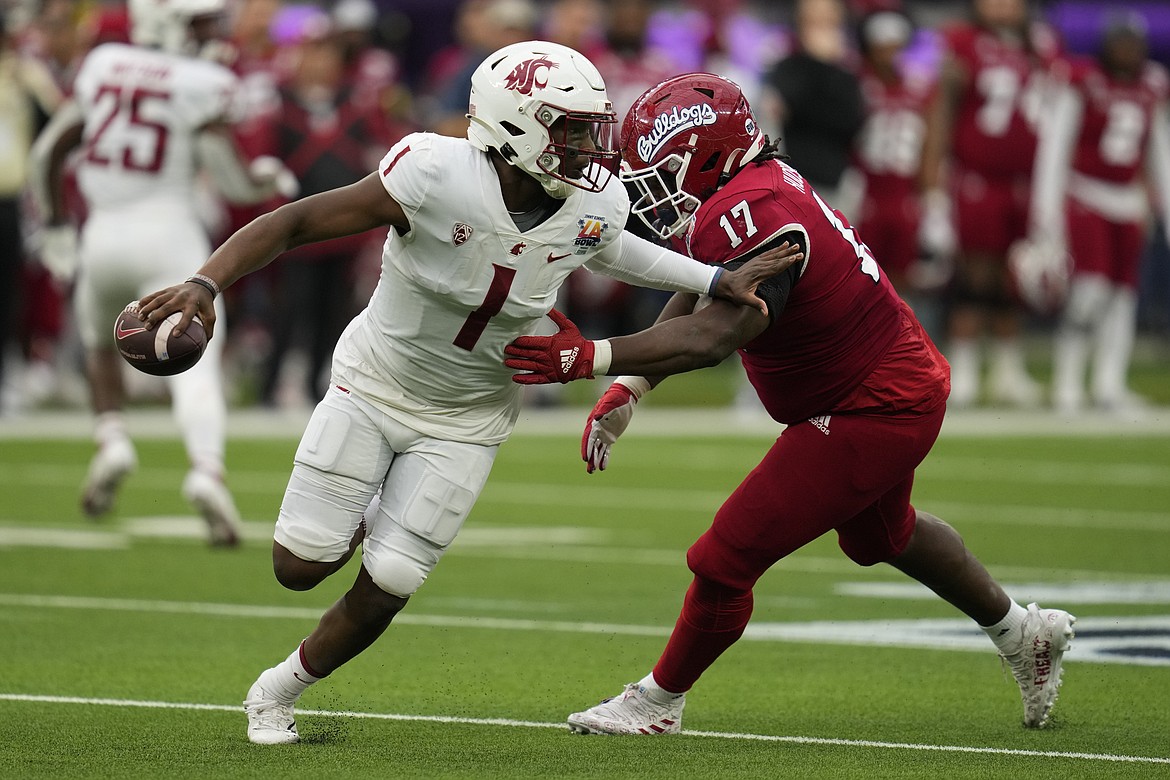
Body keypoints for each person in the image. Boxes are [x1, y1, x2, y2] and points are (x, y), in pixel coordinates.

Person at [133, 41, 794, 745]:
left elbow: (615, 246)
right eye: (570, 129)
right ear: (516, 126)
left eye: (589, 127)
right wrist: (206, 283)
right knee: (297, 567)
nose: (590, 147)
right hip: (375, 383)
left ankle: (277, 690)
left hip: (470, 416)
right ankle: (370, 502)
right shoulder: (431, 171)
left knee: (389, 581)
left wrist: (713, 280)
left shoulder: (592, 198)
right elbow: (295, 221)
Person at [503, 73, 1076, 734]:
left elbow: (721, 331)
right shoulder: (744, 189)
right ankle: (1021, 633)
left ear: (704, 155)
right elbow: (702, 284)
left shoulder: (748, 209)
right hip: (886, 382)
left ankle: (656, 702)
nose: (646, 187)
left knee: (724, 557)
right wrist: (632, 386)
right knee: (880, 536)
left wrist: (594, 357)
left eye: (659, 170)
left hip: (873, 403)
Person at [28, 0, 297, 543]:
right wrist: (266, 177)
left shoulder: (106, 63)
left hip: (101, 235)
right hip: (170, 234)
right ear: (166, 22)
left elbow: (49, 152)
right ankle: (206, 470)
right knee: (199, 361)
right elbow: (233, 181)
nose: (215, 34)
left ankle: (113, 440)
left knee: (99, 342)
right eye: (203, 23)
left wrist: (56, 226)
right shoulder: (202, 81)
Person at [919, 0, 1062, 408]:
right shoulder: (962, 43)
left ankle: (1007, 369)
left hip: (1024, 181)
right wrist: (932, 188)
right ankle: (961, 368)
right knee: (974, 273)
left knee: (1013, 276)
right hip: (976, 176)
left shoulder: (1040, 44)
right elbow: (940, 114)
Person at [1030, 13, 1170, 414]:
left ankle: (1110, 383)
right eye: (1120, 42)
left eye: (1133, 43)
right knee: (1089, 291)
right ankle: (1067, 383)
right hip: (1085, 192)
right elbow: (1056, 148)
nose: (1127, 51)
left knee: (1123, 296)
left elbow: (1159, 152)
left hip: (1127, 200)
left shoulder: (1152, 84)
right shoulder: (1084, 82)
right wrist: (1047, 213)